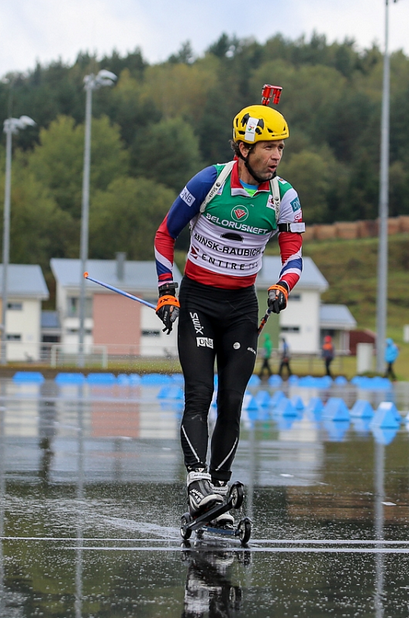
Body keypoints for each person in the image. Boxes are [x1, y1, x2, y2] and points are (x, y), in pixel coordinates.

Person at [153, 94, 304, 528]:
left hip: (241, 306)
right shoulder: (209, 183)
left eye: (281, 148)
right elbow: (166, 236)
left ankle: (217, 493)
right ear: (244, 148)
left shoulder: (284, 197)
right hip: (198, 299)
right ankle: (196, 483)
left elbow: (294, 257)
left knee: (233, 402)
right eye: (268, 147)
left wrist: (282, 285)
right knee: (200, 394)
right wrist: (167, 291)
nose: (276, 156)